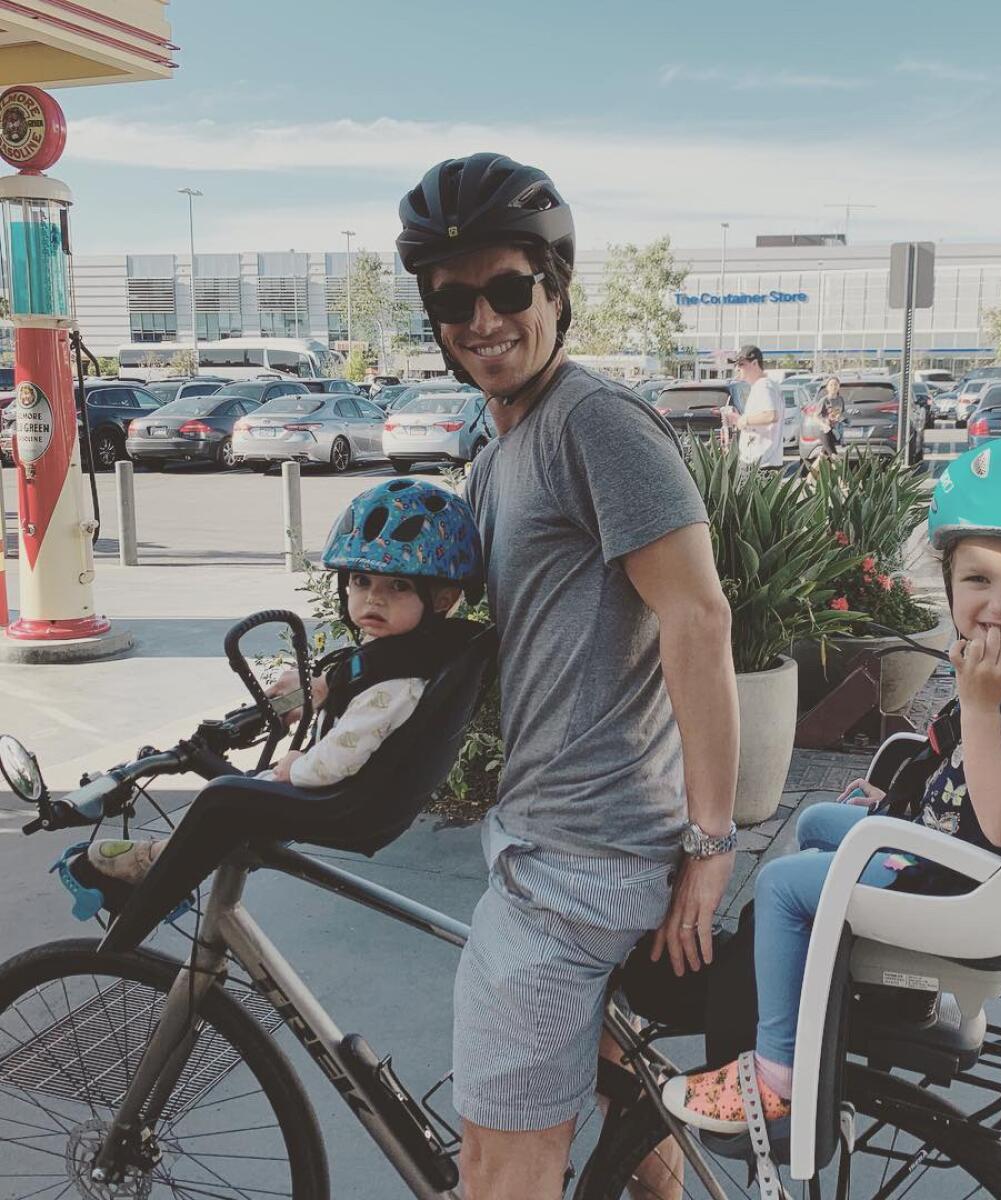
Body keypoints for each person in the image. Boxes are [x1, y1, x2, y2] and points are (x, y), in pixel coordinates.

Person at [397, 152, 739, 1200]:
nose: (483, 319)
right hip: (564, 834)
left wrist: (711, 845)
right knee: (617, 1096)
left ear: (557, 292)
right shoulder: (501, 445)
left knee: (501, 1161)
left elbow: (697, 613)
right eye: (456, 299)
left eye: (510, 290)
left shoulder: (594, 422)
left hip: (577, 860)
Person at [661, 437, 1001, 1134]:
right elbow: (956, 775)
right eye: (978, 580)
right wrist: (896, 800)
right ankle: (827, 983)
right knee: (817, 824)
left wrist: (982, 705)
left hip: (964, 886)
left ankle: (774, 1074)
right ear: (950, 580)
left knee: (785, 889)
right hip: (943, 852)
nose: (999, 604)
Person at [65, 478, 484, 900]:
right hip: (365, 801)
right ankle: (163, 857)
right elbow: (362, 674)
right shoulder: (413, 653)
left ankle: (154, 875)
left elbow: (339, 757)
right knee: (241, 793)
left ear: (443, 598)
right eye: (361, 581)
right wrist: (319, 689)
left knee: (222, 798)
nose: (374, 599)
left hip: (346, 805)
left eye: (398, 586)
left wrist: (296, 767)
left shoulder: (395, 686)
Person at [732, 344, 785, 470]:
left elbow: (771, 415)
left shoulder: (764, 386)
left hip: (760, 462)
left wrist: (743, 421)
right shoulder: (765, 385)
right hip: (763, 460)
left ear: (755, 363)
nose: (737, 369)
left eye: (741, 364)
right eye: (736, 365)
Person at [816, 375, 843, 458]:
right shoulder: (824, 400)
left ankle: (815, 470)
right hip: (825, 431)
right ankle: (839, 470)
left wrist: (839, 418)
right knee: (834, 455)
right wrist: (824, 424)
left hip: (834, 432)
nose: (833, 387)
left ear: (838, 387)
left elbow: (841, 413)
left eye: (835, 384)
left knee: (823, 456)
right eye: (831, 385)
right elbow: (815, 416)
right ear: (827, 387)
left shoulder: (840, 399)